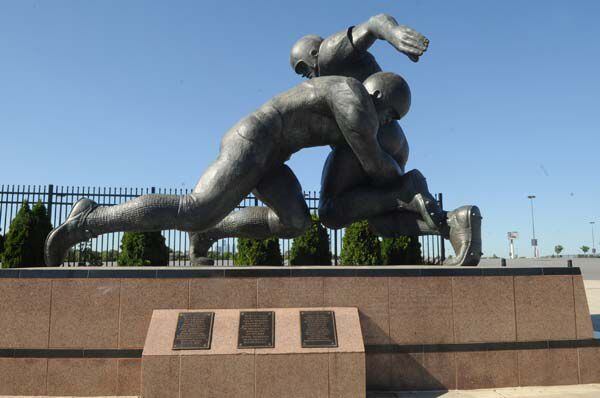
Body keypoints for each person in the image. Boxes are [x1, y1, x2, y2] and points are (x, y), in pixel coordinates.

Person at [191, 14, 482, 266]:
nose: (306, 76)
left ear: (315, 53)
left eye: (303, 67)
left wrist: (394, 32)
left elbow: (373, 23)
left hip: (370, 141)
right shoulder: (329, 89)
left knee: (330, 212)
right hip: (393, 143)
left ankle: (410, 189)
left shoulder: (330, 56)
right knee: (381, 220)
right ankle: (453, 223)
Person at [45, 73, 412, 266]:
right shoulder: (354, 99)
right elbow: (373, 164)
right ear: (379, 96)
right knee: (194, 209)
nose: (388, 123)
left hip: (273, 159)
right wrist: (407, 185)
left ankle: (209, 234)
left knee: (296, 222)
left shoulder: (357, 100)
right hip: (253, 141)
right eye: (392, 114)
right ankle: (89, 218)